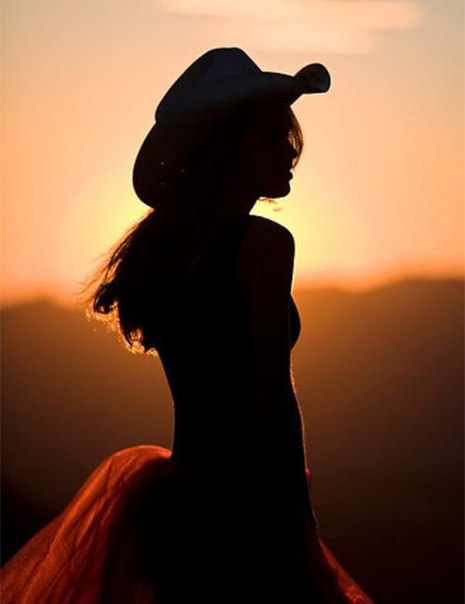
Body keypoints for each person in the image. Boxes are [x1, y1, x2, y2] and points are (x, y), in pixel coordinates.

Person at [1, 48, 374, 603]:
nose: (289, 150)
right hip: (246, 504)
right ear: (227, 151)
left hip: (179, 505)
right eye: (271, 137)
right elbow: (271, 391)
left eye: (287, 135)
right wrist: (299, 514)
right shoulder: (263, 245)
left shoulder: (167, 249)